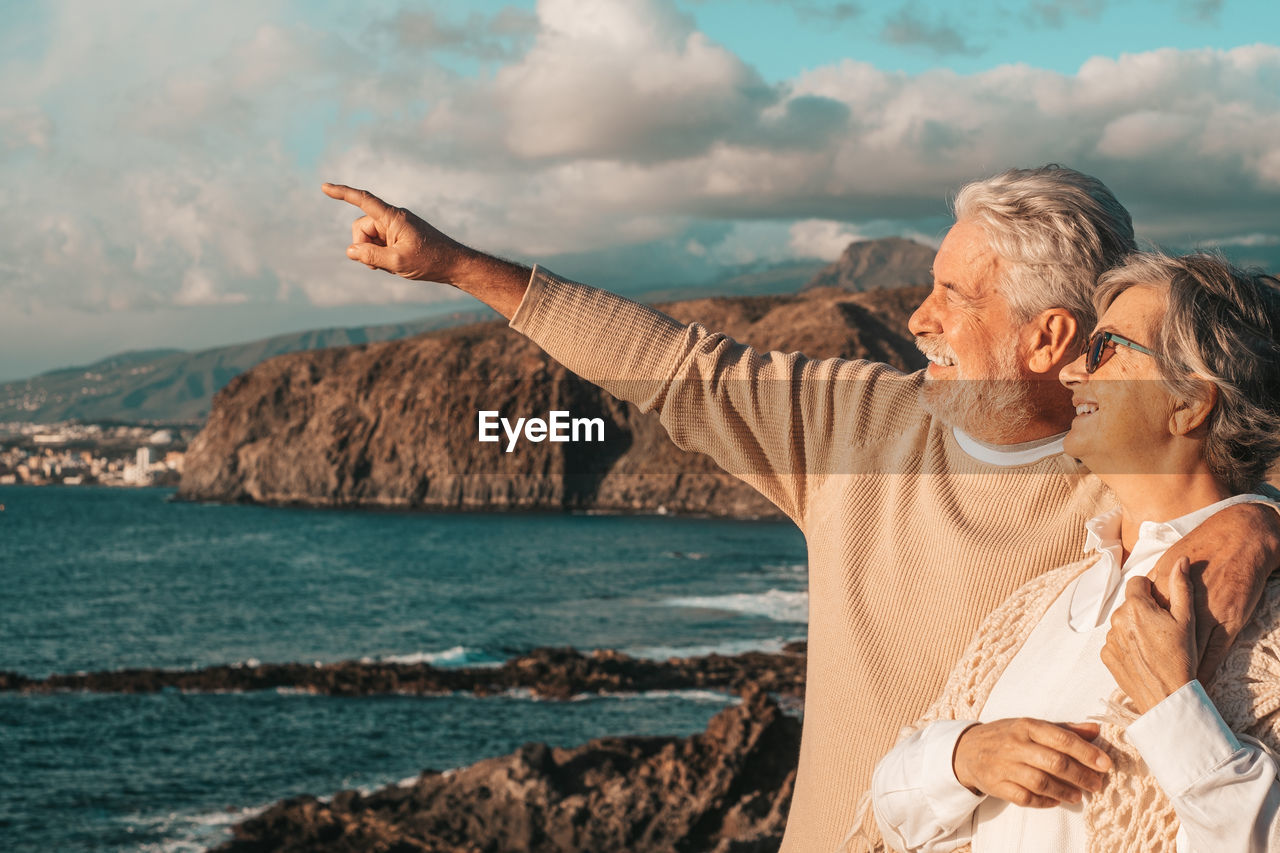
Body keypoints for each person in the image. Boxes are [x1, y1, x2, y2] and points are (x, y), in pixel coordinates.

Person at [321, 166, 1280, 852]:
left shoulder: (1120, 494)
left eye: (952, 293)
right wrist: (454, 266)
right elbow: (677, 367)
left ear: (1050, 335)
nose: (917, 317)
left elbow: (1220, 442)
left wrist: (1254, 517)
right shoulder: (857, 424)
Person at [868, 253, 1280, 852]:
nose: (1069, 373)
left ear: (1190, 401)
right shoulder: (1036, 604)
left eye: (1105, 347)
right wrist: (961, 757)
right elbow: (885, 810)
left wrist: (1174, 711)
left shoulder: (1268, 617)